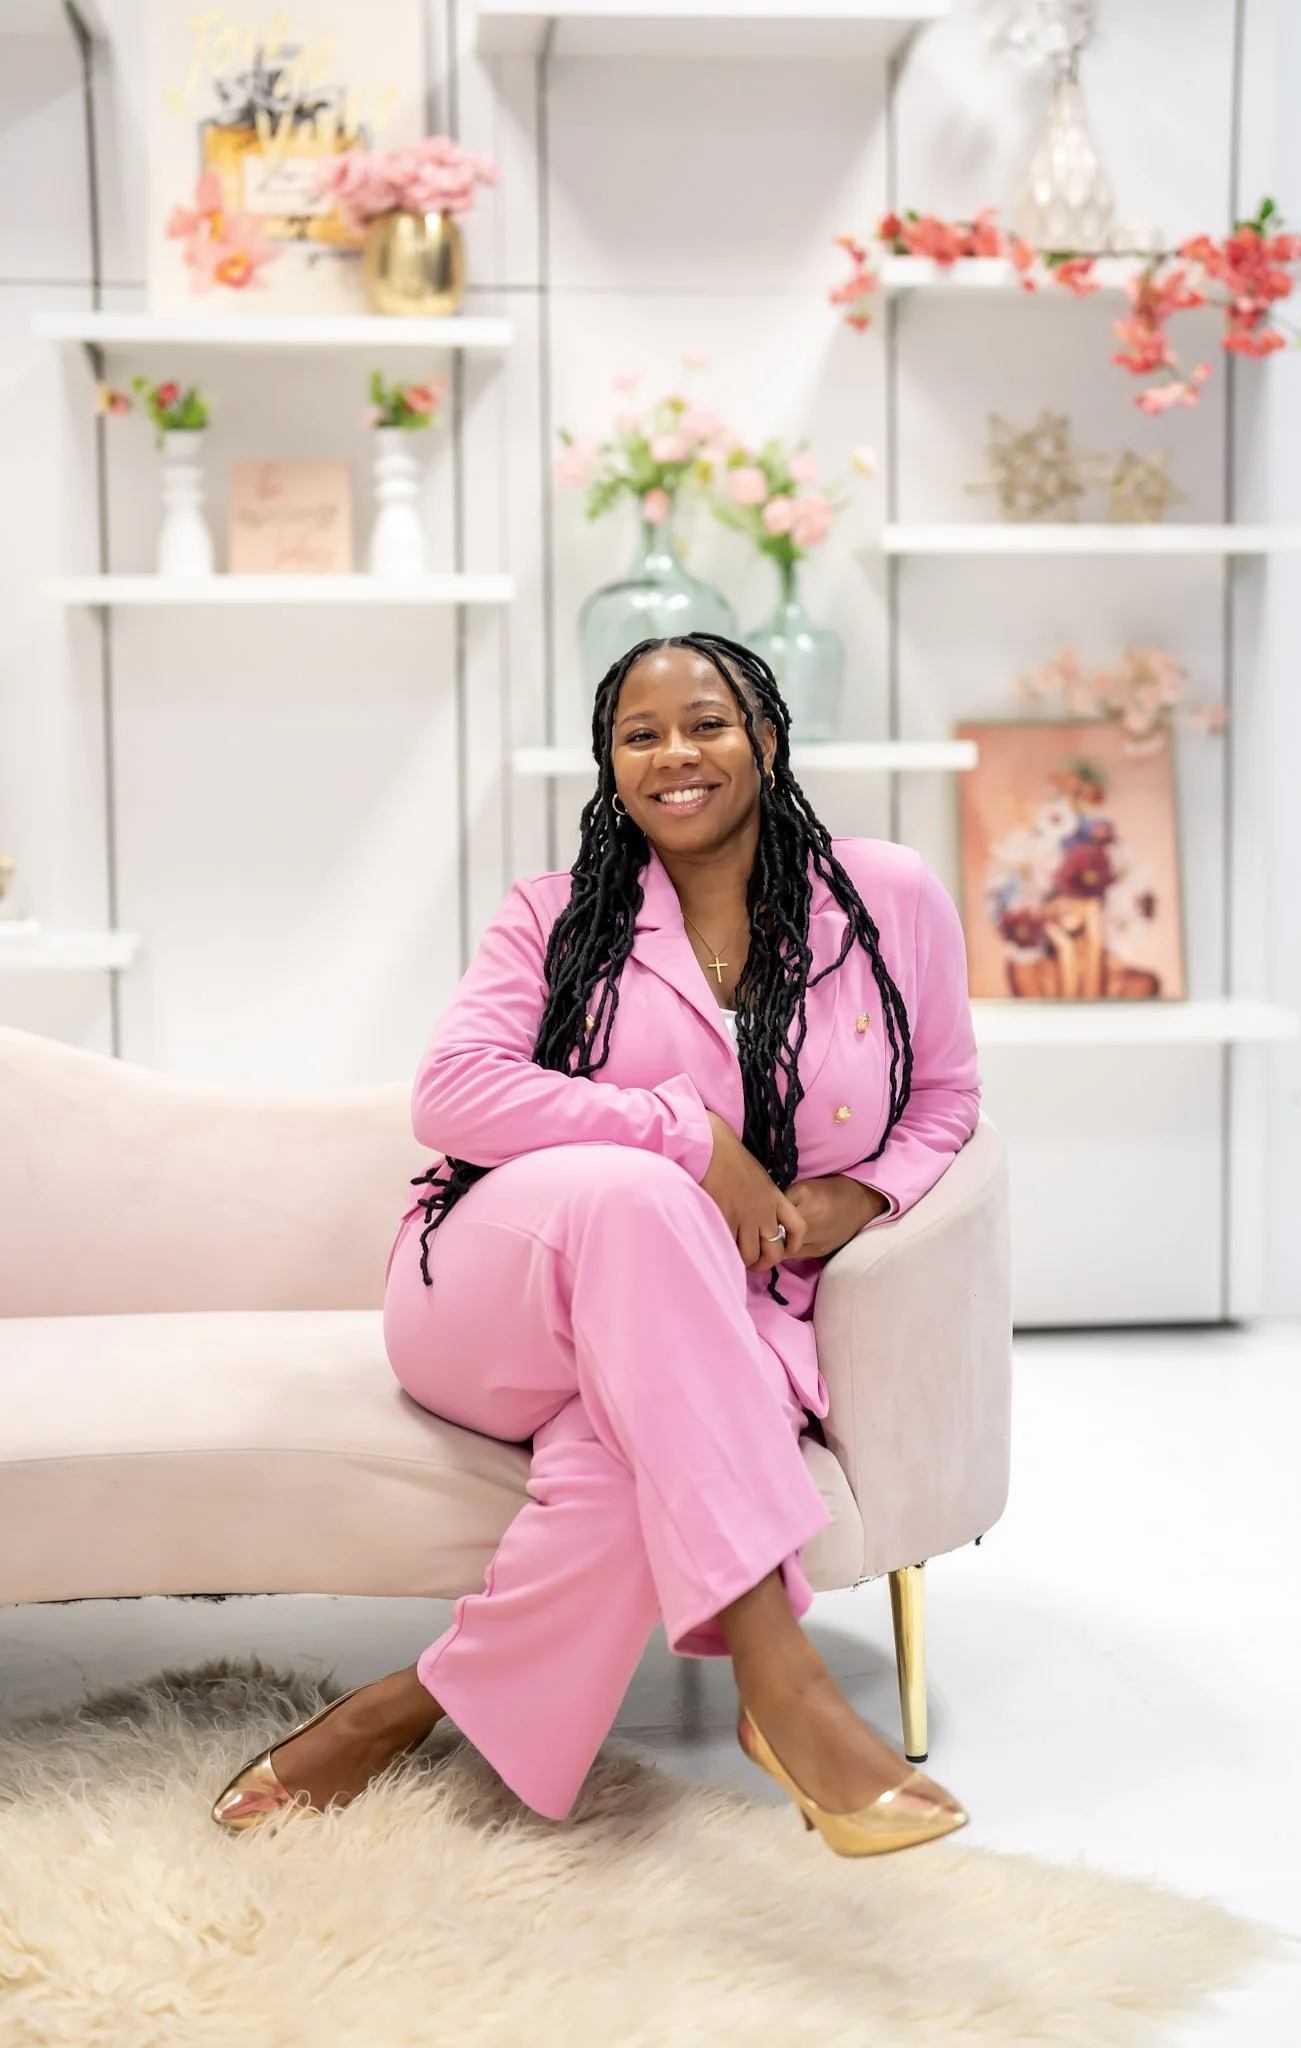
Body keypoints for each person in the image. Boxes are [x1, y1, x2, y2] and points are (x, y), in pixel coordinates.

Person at [212, 632, 981, 1857]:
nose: (676, 752)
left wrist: (856, 1199)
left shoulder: (884, 898)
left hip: (711, 1320)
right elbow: (454, 1092)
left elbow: (944, 1096)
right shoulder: (556, 915)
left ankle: (404, 1705)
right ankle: (780, 1683)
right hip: (495, 1297)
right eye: (641, 733)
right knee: (639, 1194)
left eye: (708, 722)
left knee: (632, 1456)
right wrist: (681, 1133)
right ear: (610, 763)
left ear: (767, 738)